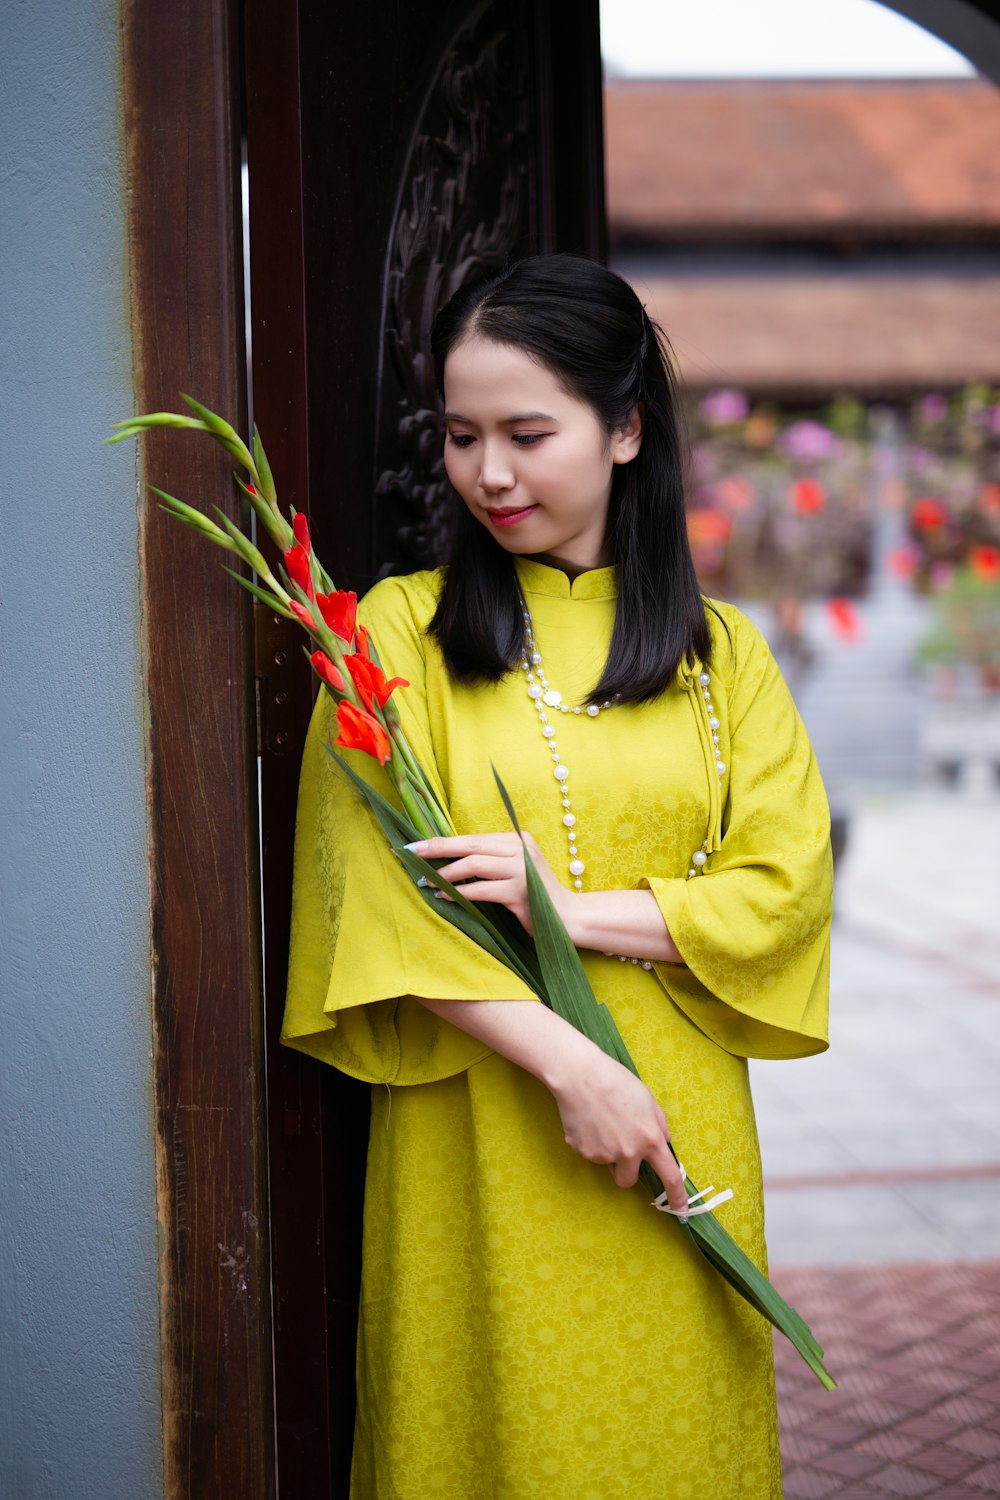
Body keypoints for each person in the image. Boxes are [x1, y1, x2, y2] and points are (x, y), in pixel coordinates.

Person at [282, 254, 833, 1500]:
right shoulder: (386, 640)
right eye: (464, 435)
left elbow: (784, 886)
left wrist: (567, 907)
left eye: (528, 432)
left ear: (627, 429)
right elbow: (375, 906)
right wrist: (576, 1066)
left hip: (676, 1127)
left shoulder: (722, 657)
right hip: (483, 1120)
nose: (490, 472)